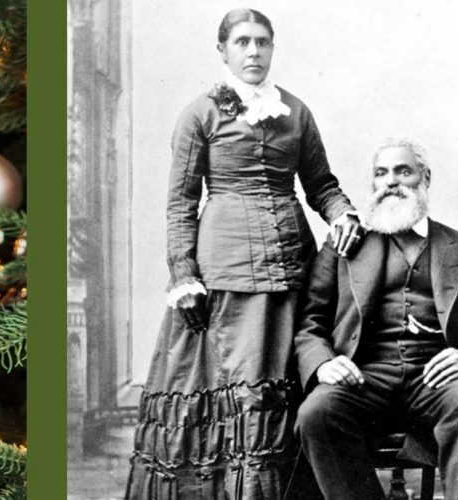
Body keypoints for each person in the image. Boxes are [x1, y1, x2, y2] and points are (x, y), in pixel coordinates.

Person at [125, 9, 361, 500]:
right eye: (242, 42)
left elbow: (321, 184)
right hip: (225, 268)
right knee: (232, 383)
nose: (253, 52)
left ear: (272, 49)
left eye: (262, 42)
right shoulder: (200, 113)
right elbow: (181, 204)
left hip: (293, 262)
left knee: (287, 378)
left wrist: (342, 214)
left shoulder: (295, 112)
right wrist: (183, 274)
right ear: (223, 51)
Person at [294, 138, 458, 500]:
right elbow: (310, 320)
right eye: (381, 173)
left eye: (403, 171)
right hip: (365, 374)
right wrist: (323, 365)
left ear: (424, 178)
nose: (391, 181)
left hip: (436, 377)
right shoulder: (343, 246)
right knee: (316, 413)